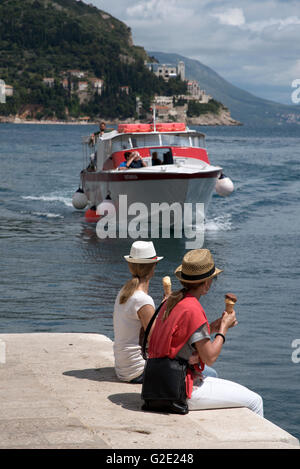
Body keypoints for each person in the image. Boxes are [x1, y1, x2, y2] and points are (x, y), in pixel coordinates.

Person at [147, 249, 264, 416]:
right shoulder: (194, 309)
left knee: (214, 378)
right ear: (206, 284)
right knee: (255, 401)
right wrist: (223, 329)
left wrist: (212, 327)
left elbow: (180, 338)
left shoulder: (172, 300)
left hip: (158, 384)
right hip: (179, 391)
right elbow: (210, 357)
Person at [113, 241, 163, 383]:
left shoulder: (124, 291)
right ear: (153, 267)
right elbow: (156, 341)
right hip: (137, 371)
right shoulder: (143, 300)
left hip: (123, 368)